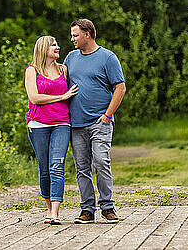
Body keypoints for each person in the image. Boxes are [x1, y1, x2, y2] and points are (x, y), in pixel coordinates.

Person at [63, 19, 126, 224]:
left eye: (75, 35)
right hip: (76, 123)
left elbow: (120, 88)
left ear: (87, 34)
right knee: (82, 167)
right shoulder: (70, 58)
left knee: (100, 161)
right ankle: (87, 210)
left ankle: (107, 207)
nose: (72, 39)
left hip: (100, 121)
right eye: (72, 35)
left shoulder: (107, 57)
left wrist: (108, 115)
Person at [24, 35, 79, 225]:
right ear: (43, 49)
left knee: (57, 166)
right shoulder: (32, 71)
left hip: (61, 123)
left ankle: (55, 213)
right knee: (44, 169)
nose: (58, 47)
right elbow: (35, 97)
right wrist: (62, 96)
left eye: (57, 44)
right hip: (38, 125)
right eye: (53, 45)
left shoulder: (63, 69)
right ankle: (48, 209)